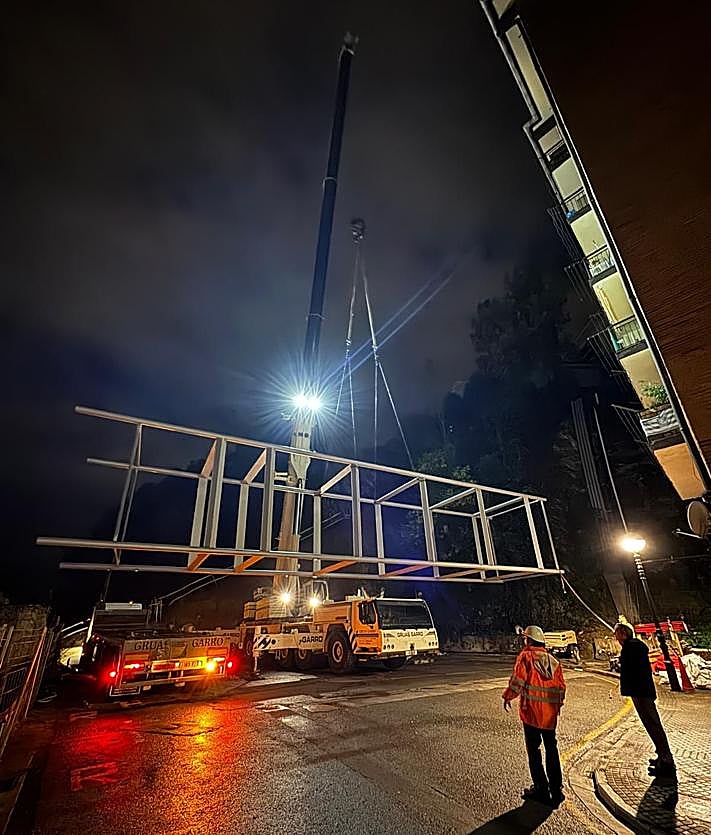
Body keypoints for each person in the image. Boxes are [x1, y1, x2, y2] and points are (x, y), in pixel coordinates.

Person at [503, 625, 566, 806]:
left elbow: (518, 681)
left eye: (525, 639)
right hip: (549, 716)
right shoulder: (554, 661)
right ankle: (556, 789)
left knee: (534, 750)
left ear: (529, 640)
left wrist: (508, 696)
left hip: (531, 713)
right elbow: (561, 688)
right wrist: (555, 707)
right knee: (551, 749)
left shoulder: (526, 657)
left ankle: (541, 788)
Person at [614, 620, 676, 777]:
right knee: (651, 724)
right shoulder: (634, 647)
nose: (615, 637)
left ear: (623, 633)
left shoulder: (631, 648)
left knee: (652, 723)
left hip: (640, 692)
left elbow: (633, 671)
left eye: (617, 634)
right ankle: (662, 756)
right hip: (641, 691)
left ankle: (666, 761)